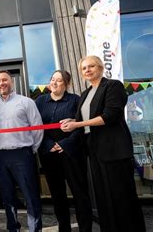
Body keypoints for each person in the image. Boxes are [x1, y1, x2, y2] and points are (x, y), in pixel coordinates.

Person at [61, 55, 145, 232]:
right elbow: (83, 118)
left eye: (91, 66)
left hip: (114, 148)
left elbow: (110, 115)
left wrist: (77, 124)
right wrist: (73, 120)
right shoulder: (85, 94)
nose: (88, 70)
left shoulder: (113, 86)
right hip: (93, 149)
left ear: (100, 67)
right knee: (103, 197)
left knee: (121, 196)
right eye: (84, 68)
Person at [35, 70, 92, 232]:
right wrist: (47, 144)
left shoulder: (76, 100)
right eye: (52, 79)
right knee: (57, 195)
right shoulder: (40, 101)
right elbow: (36, 126)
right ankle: (64, 228)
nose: (54, 83)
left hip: (71, 154)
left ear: (67, 84)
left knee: (79, 194)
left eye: (59, 81)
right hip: (49, 155)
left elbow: (82, 125)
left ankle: (86, 228)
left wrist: (65, 144)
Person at [0, 70, 43, 232]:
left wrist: (31, 149)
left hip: (23, 154)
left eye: (4, 80)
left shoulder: (26, 102)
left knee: (30, 196)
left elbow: (38, 128)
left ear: (11, 81)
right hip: (1, 155)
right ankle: (13, 228)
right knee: (7, 197)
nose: (1, 83)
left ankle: (35, 229)